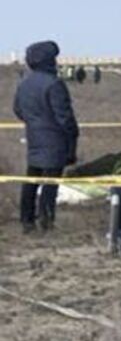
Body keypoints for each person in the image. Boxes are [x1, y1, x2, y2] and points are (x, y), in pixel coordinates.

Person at [13, 41, 78, 234]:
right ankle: (46, 221)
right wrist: (72, 135)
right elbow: (64, 116)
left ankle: (26, 220)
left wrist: (34, 122)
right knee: (50, 184)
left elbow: (18, 109)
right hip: (55, 140)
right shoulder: (54, 84)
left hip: (34, 138)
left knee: (31, 181)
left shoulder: (24, 83)